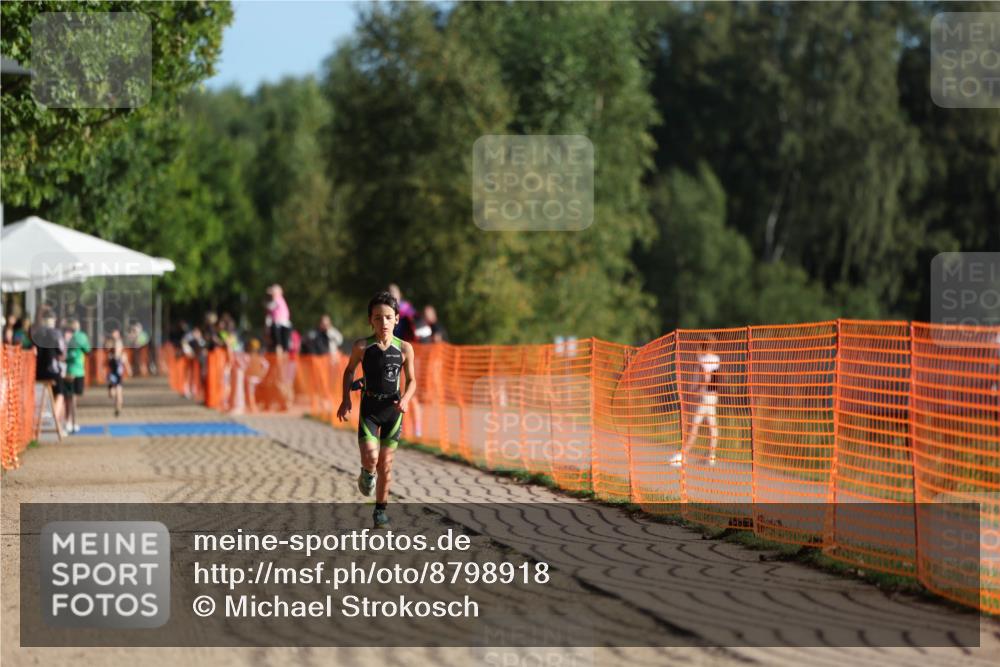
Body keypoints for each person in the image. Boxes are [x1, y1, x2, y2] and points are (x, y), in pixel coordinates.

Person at [337, 291, 417, 529]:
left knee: (386, 463)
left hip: (393, 410)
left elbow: (412, 380)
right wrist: (346, 399)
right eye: (378, 318)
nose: (384, 323)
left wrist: (406, 399)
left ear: (397, 319)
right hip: (370, 410)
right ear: (370, 320)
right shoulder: (362, 346)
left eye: (389, 317)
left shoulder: (405, 348)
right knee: (372, 458)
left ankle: (380, 512)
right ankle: (367, 472)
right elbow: (349, 371)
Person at [672, 335, 721, 467]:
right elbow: (715, 378)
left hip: (703, 396)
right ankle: (710, 455)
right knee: (711, 426)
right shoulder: (715, 359)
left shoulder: (703, 360)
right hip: (712, 395)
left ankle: (682, 455)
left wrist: (696, 391)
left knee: (694, 426)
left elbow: (706, 378)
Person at [33, 311, 66, 432]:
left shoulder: (37, 333)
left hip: (38, 371)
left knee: (43, 396)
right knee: (60, 394)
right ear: (53, 320)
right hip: (52, 370)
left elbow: (33, 351)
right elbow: (62, 351)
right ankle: (54, 420)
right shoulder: (56, 333)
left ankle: (43, 419)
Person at [63, 318, 91, 434]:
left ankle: (68, 422)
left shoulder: (66, 336)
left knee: (68, 398)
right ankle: (72, 423)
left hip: (68, 370)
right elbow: (88, 350)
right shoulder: (81, 336)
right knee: (73, 398)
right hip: (78, 371)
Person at [106, 329, 130, 417]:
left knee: (119, 393)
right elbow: (106, 347)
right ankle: (116, 397)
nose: (117, 348)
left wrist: (128, 369)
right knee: (112, 394)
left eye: (118, 346)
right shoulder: (110, 350)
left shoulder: (122, 355)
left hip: (118, 374)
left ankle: (118, 408)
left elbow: (126, 361)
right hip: (112, 373)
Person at [265, 284, 293, 353]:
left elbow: (270, 307)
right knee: (280, 345)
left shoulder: (277, 300)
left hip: (281, 324)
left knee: (281, 345)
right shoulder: (280, 300)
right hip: (280, 324)